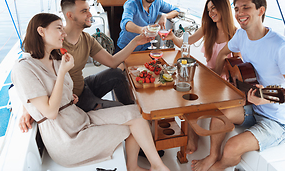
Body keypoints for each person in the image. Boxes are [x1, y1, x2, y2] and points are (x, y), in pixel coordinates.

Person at [12, 13, 169, 170]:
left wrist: (68, 97)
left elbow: (60, 92)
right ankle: (136, 167)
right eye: (59, 28)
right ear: (41, 31)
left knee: (137, 113)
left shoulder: (57, 59)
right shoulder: (24, 68)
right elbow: (50, 112)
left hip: (79, 118)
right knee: (131, 128)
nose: (64, 34)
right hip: (66, 139)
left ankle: (156, 166)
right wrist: (60, 75)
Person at [191, 0, 285, 171]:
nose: (239, 13)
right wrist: (217, 77)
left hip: (276, 121)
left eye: (245, 7)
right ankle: (212, 155)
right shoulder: (241, 35)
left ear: (261, 10)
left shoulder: (280, 45)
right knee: (218, 114)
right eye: (236, 9)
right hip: (251, 106)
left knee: (232, 147)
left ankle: (218, 166)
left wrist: (265, 98)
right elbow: (224, 53)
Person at [18, 0, 152, 132]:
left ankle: (132, 112)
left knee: (117, 74)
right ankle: (131, 119)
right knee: (122, 110)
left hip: (84, 87)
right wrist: (26, 108)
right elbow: (28, 73)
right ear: (69, 16)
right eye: (84, 11)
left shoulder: (86, 39)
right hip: (74, 101)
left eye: (89, 9)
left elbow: (112, 62)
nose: (90, 14)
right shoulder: (54, 42)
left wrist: (135, 42)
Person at [164, 0, 239, 154]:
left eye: (214, 8)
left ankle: (191, 140)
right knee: (182, 91)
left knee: (190, 97)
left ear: (224, 8)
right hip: (208, 77)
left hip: (224, 84)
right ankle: (190, 138)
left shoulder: (236, 34)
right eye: (209, 9)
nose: (211, 12)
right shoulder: (208, 28)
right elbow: (186, 42)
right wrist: (172, 37)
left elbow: (238, 67)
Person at [116, 0, 180, 52]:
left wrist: (165, 16)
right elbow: (125, 24)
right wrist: (143, 30)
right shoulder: (131, 3)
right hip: (126, 49)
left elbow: (176, 10)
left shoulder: (158, 1)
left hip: (146, 48)